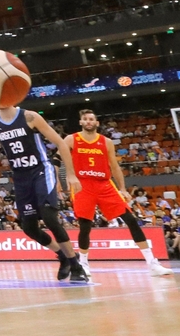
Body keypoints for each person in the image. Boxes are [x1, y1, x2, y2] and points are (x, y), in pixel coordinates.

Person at [0, 104, 88, 282]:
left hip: (41, 171)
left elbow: (60, 143)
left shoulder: (30, 117)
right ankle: (62, 256)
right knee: (29, 228)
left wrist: (70, 174)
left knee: (49, 217)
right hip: (20, 177)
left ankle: (75, 265)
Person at [67, 109, 172, 277]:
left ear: (97, 122)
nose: (88, 121)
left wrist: (122, 188)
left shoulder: (106, 141)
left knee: (131, 219)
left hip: (104, 184)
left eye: (91, 119)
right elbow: (61, 157)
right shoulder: (71, 139)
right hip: (83, 185)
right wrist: (68, 178)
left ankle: (152, 263)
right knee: (85, 226)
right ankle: (83, 264)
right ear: (81, 122)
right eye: (85, 119)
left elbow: (115, 167)